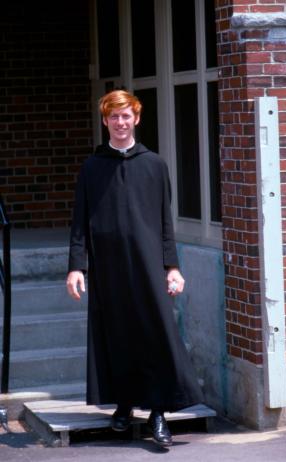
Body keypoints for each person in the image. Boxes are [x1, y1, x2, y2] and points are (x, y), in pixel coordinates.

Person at [66, 89, 202, 447]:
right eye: (114, 116)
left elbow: (165, 222)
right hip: (107, 267)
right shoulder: (92, 167)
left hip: (147, 266)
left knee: (154, 334)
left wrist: (172, 266)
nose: (120, 122)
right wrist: (76, 266)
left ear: (137, 119)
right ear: (105, 121)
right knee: (116, 335)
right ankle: (124, 406)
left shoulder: (154, 165)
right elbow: (79, 221)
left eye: (126, 116)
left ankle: (159, 413)